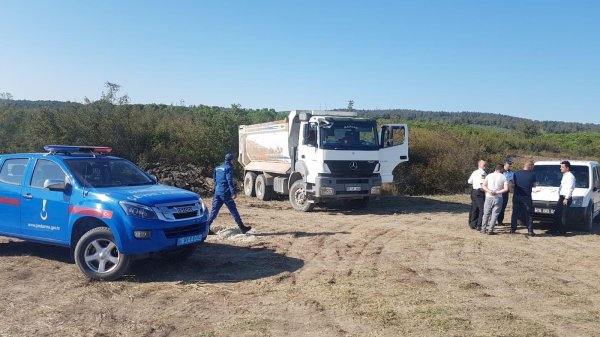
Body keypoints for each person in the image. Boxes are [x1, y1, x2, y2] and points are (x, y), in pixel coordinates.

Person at [207, 153, 252, 234]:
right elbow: (229, 181)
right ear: (231, 160)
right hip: (225, 193)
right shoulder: (228, 168)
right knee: (233, 210)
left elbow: (214, 180)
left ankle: (206, 228)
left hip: (217, 193)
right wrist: (233, 192)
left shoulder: (217, 168)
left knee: (214, 211)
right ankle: (242, 227)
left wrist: (218, 188)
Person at [511, 160, 537, 236]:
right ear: (530, 166)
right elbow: (534, 185)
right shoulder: (532, 174)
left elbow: (513, 184)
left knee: (515, 213)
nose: (533, 168)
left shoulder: (516, 173)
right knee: (529, 214)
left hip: (517, 195)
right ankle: (530, 231)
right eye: (532, 166)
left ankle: (513, 229)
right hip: (527, 196)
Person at [481, 164, 509, 235]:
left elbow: (483, 185)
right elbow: (506, 189)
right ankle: (490, 230)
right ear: (501, 169)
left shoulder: (489, 175)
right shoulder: (504, 177)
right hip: (498, 197)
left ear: (495, 169)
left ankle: (483, 229)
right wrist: (497, 192)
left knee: (486, 214)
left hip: (489, 196)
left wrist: (489, 191)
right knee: (495, 214)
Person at [551, 160, 576, 235]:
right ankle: (554, 230)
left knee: (562, 215)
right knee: (557, 214)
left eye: (562, 167)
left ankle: (562, 232)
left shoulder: (570, 177)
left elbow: (570, 188)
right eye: (560, 167)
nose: (560, 168)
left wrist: (566, 198)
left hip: (566, 198)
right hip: (562, 197)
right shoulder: (565, 175)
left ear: (567, 168)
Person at [467, 160, 488, 230]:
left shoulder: (474, 172)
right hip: (480, 192)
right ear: (480, 165)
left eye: (485, 164)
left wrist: (475, 182)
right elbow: (482, 184)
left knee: (474, 208)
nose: (485, 166)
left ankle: (473, 224)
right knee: (482, 209)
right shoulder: (483, 173)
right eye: (484, 165)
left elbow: (469, 181)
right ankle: (479, 225)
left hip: (474, 191)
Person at [496, 158, 515, 226]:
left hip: (505, 192)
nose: (510, 165)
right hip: (498, 191)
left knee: (503, 207)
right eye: (509, 163)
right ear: (505, 164)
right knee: (496, 206)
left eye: (510, 164)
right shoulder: (499, 171)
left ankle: (500, 221)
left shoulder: (512, 173)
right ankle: (493, 220)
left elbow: (512, 181)